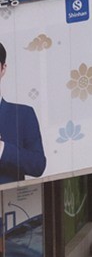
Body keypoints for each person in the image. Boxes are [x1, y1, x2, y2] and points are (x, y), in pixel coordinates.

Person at [0, 43, 46, 184]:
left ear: (3, 69)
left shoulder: (23, 115)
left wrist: (2, 148)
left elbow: (38, 165)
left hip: (9, 197)